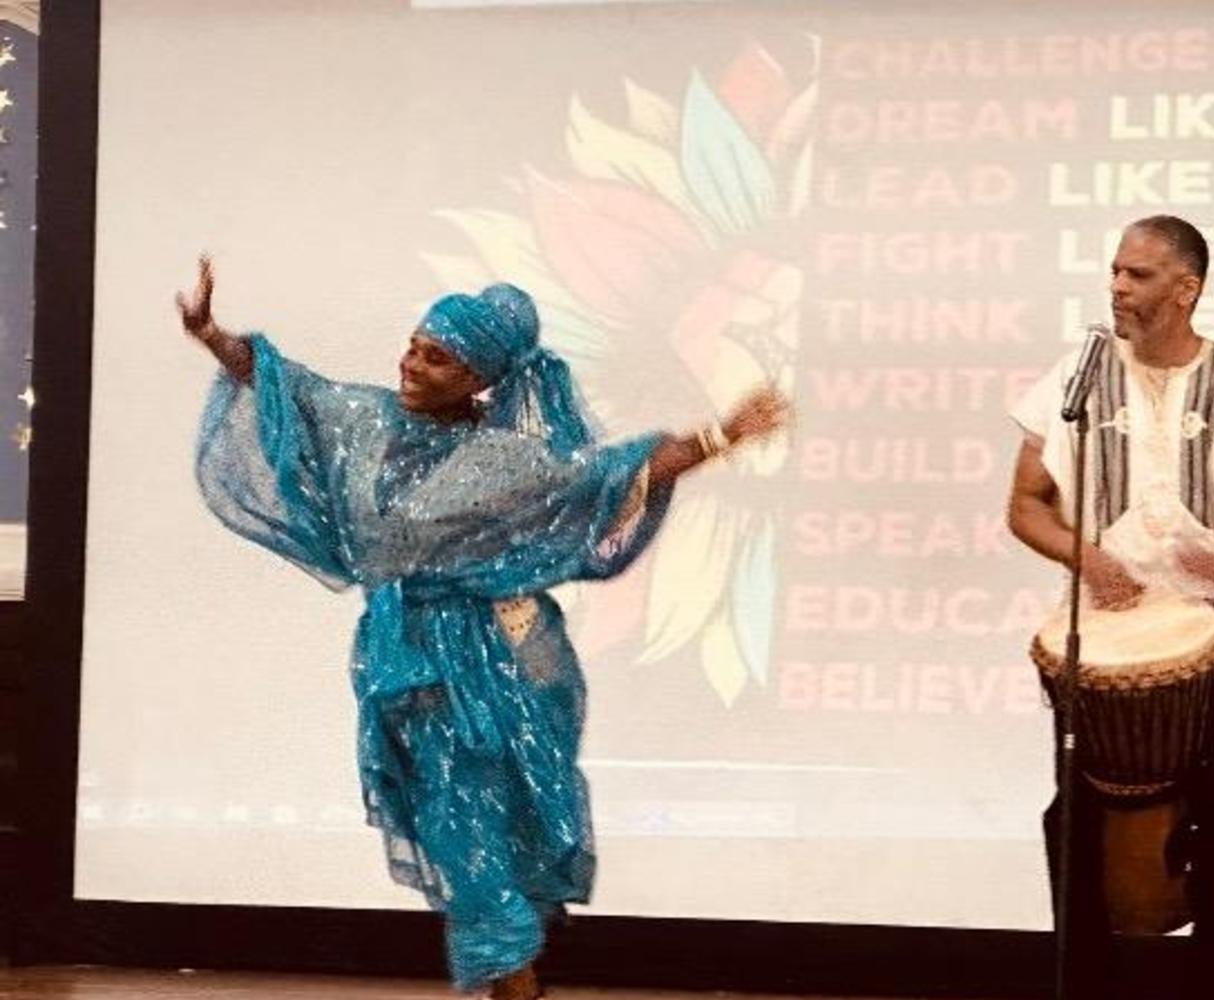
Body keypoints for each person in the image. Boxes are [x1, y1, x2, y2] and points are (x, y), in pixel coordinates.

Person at [177, 257, 790, 999]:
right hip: (405, 653)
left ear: (478, 380)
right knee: (457, 822)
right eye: (413, 344)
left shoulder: (507, 461)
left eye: (437, 357)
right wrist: (212, 334)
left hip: (500, 658)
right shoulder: (363, 419)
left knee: (475, 824)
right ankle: (512, 975)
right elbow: (285, 386)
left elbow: (616, 474)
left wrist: (722, 435)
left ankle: (514, 981)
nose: (411, 362)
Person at [1006, 216, 1214, 997]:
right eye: (1115, 272)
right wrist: (1086, 556)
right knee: (1072, 824)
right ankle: (1086, 986)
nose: (1117, 287)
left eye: (1139, 275)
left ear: (1187, 289)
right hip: (1107, 649)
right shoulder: (1076, 382)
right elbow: (1026, 504)